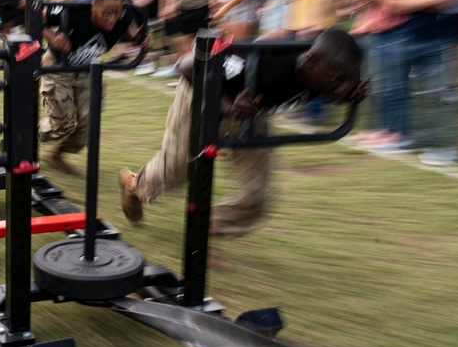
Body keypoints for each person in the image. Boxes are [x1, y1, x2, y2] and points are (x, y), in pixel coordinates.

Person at [118, 29, 365, 236]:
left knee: (256, 196)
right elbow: (186, 65)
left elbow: (334, 82)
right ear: (312, 62)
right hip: (204, 96)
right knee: (175, 170)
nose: (343, 85)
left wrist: (344, 95)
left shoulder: (321, 72)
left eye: (348, 79)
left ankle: (201, 234)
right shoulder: (266, 60)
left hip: (250, 112)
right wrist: (227, 106)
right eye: (338, 78)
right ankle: (134, 185)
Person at [39, 0, 151, 175]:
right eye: (106, 13)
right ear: (93, 6)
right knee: (63, 124)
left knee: (89, 122)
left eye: (116, 13)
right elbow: (37, 16)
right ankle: (28, 132)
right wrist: (52, 37)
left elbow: (132, 34)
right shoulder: (76, 12)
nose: (111, 19)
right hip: (58, 67)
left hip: (86, 70)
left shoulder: (123, 16)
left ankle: (57, 155)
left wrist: (140, 39)